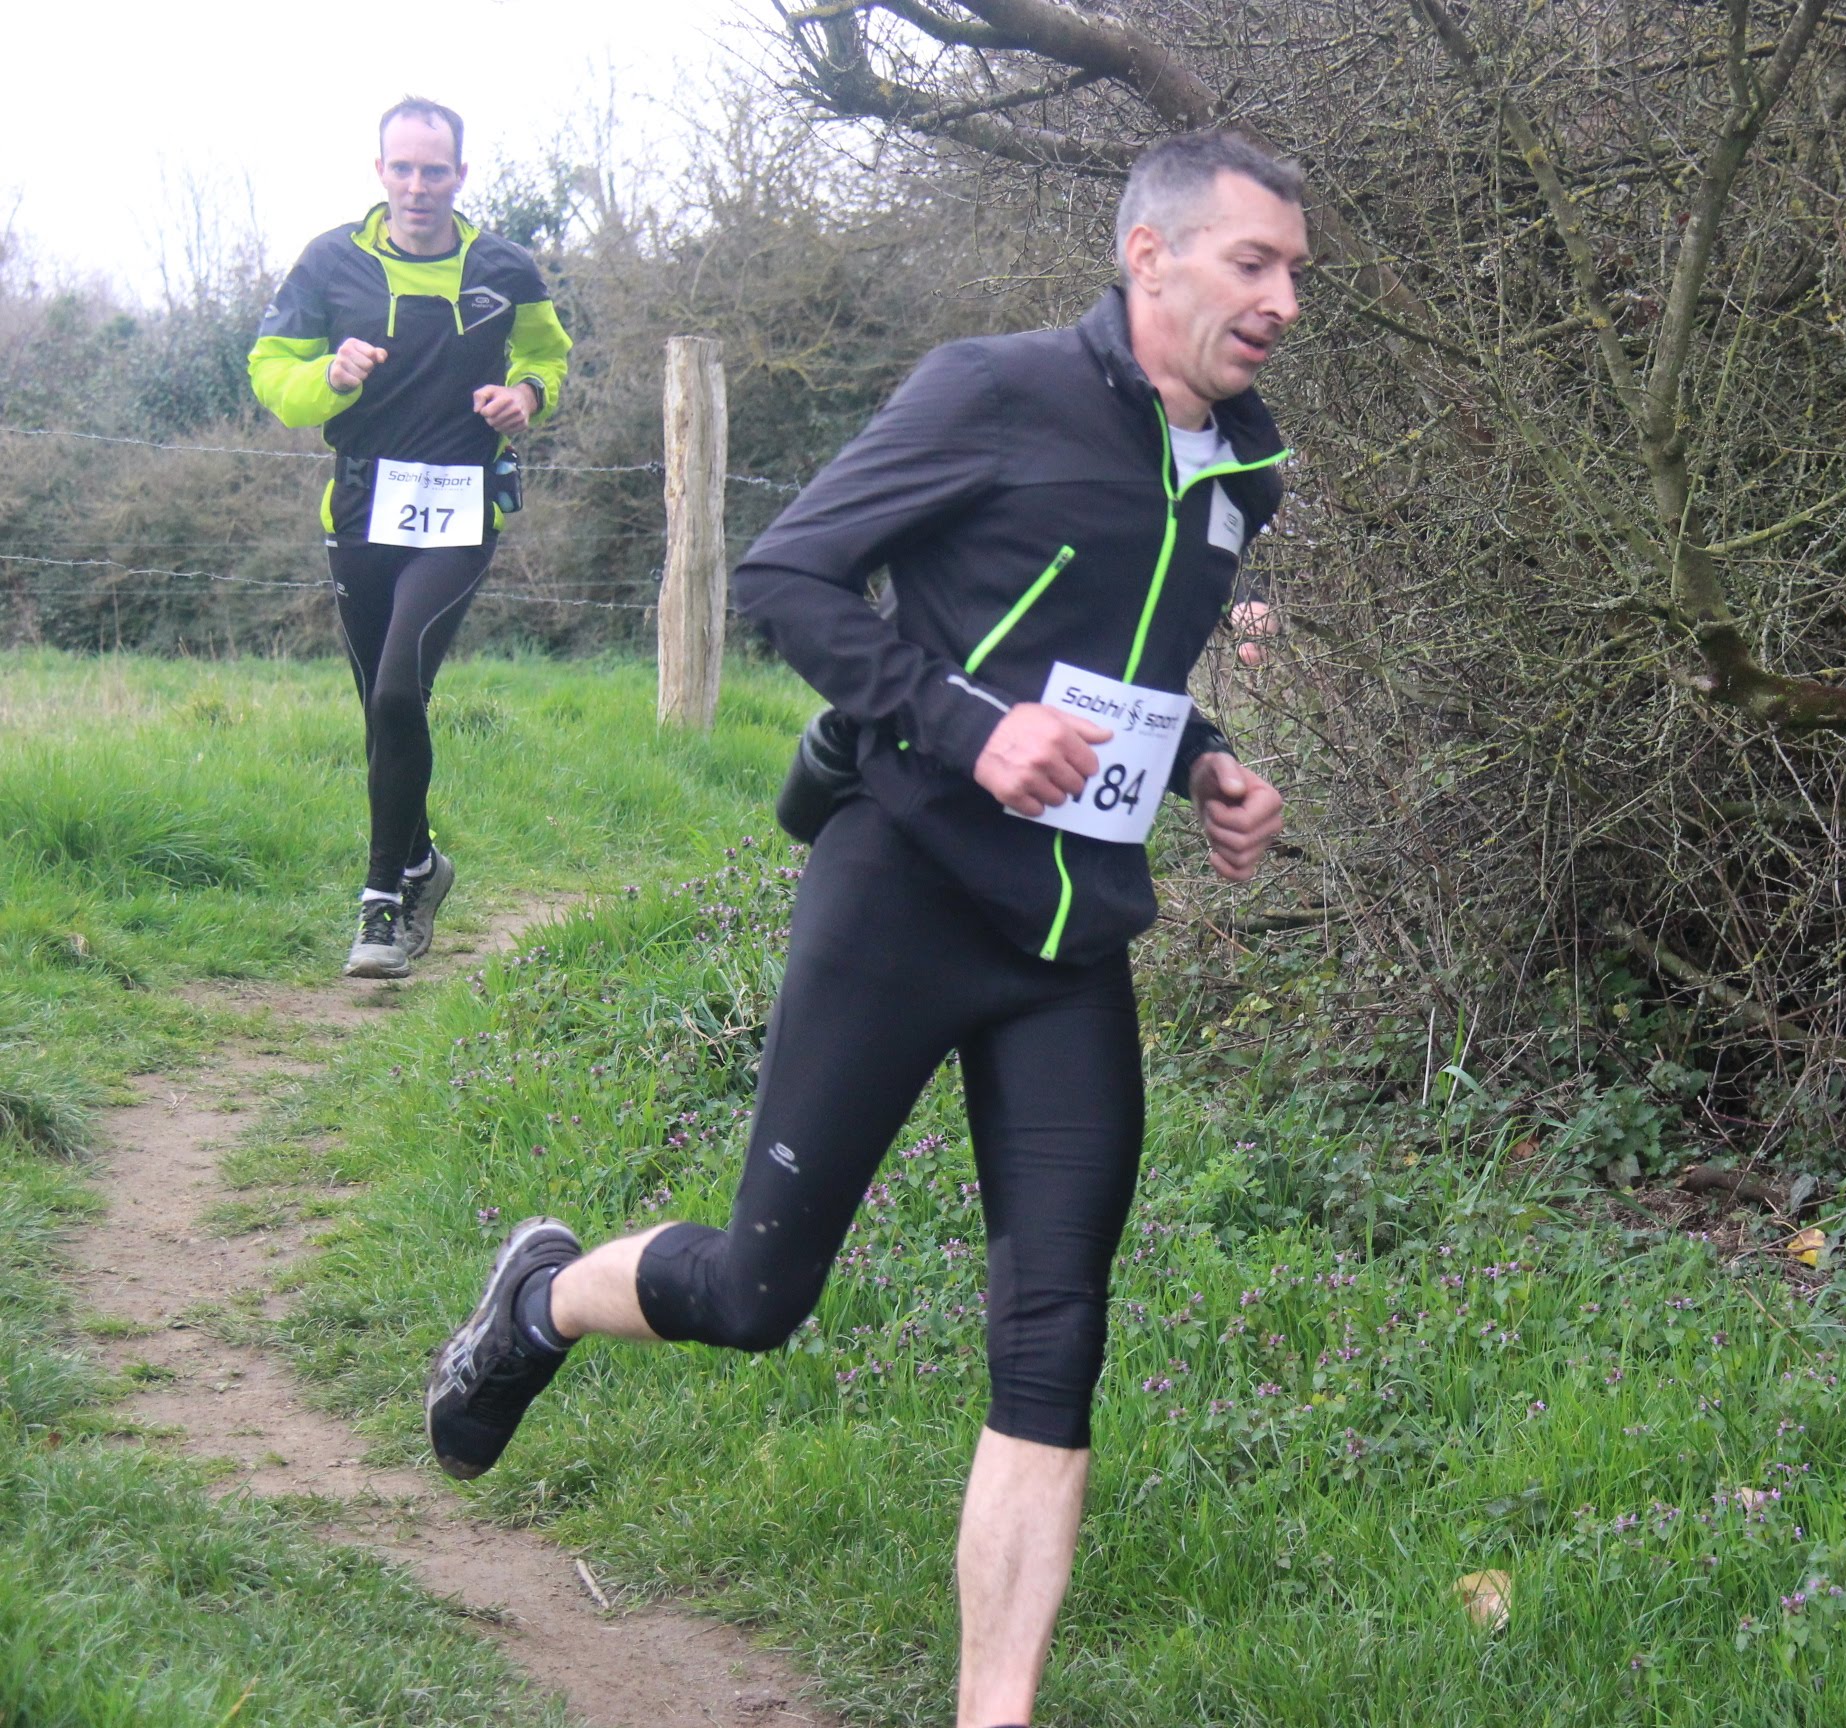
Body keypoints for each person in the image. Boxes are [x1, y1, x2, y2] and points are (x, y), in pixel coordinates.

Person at [424, 131, 1305, 1727]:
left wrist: (1210, 767)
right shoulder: (996, 391)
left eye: (1296, 273)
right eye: (1255, 263)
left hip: (1069, 944)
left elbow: (1123, 678)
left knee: (1054, 1344)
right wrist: (969, 730)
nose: (1285, 301)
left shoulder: (1248, 468)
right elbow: (791, 578)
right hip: (903, 889)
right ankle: (543, 1295)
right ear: (1150, 256)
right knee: (757, 1297)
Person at [247, 96, 572, 978]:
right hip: (359, 511)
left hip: (459, 511)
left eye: (435, 170)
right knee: (381, 709)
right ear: (380, 170)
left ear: (459, 175)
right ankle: (423, 862)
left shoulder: (505, 268)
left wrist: (527, 396)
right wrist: (330, 373)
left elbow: (547, 355)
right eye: (403, 168)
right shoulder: (331, 262)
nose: (418, 186)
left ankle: (382, 902)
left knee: (397, 692)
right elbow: (271, 372)